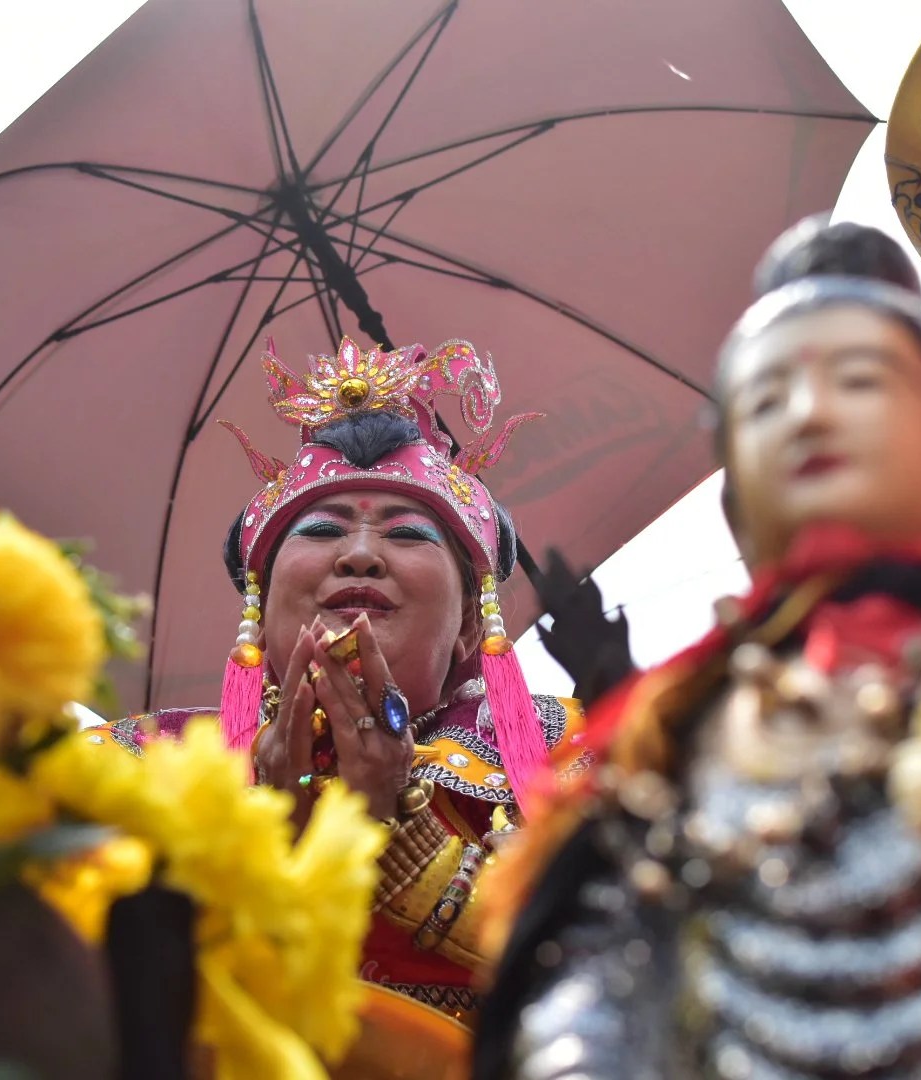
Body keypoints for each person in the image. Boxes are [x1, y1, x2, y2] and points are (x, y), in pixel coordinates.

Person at [471, 220, 921, 1080]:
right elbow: (596, 992)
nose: (810, 415)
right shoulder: (675, 731)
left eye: (860, 381)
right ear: (736, 501)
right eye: (766, 402)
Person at [106, 336, 586, 1022]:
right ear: (260, 608)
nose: (360, 554)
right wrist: (257, 843)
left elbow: (643, 971)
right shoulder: (143, 766)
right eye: (324, 529)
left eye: (409, 534)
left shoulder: (564, 756)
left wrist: (402, 839)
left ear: (468, 627)